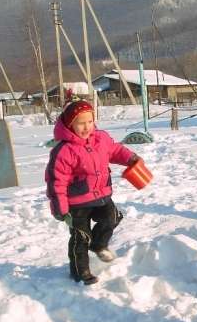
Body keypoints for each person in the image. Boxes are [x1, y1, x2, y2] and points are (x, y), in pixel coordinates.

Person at [45, 95, 140, 285]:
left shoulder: (101, 139)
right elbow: (57, 182)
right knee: (81, 237)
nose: (87, 127)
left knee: (112, 217)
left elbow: (115, 150)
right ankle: (81, 272)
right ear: (70, 124)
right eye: (81, 123)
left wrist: (130, 158)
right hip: (77, 203)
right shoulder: (64, 150)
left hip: (102, 195)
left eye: (90, 121)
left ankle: (98, 244)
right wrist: (60, 209)